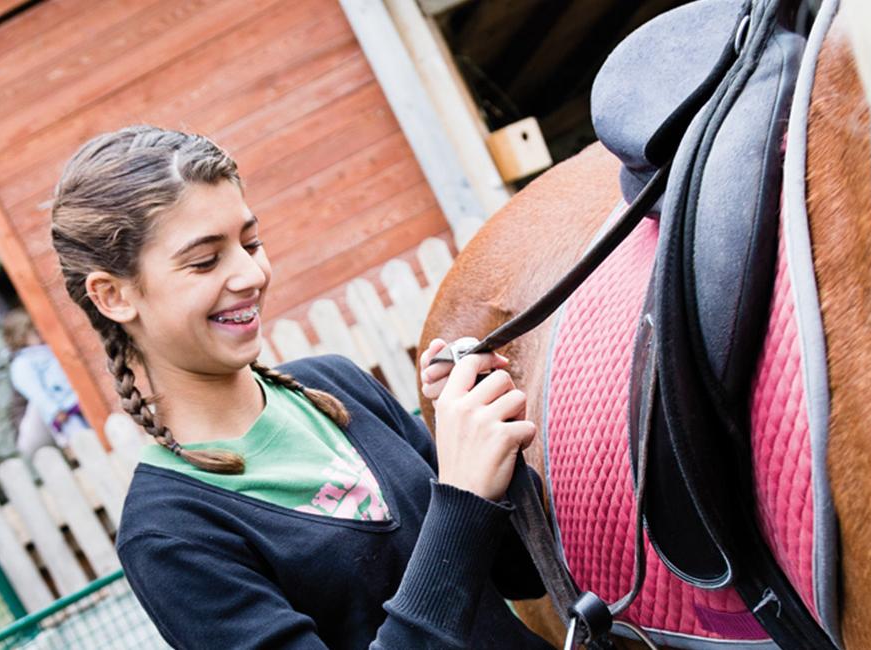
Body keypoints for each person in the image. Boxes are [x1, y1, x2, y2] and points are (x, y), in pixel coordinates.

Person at [50, 126, 551, 648]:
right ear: (112, 296)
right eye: (205, 260)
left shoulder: (339, 385)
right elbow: (459, 523)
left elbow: (521, 574)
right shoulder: (169, 533)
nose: (251, 274)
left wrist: (484, 436)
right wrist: (462, 495)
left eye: (251, 242)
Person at [2, 307, 94, 458]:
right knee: (77, 437)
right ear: (21, 337)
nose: (40, 333)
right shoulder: (22, 363)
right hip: (61, 409)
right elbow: (35, 392)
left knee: (91, 430)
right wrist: (53, 410)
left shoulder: (43, 350)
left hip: (72, 400)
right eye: (34, 332)